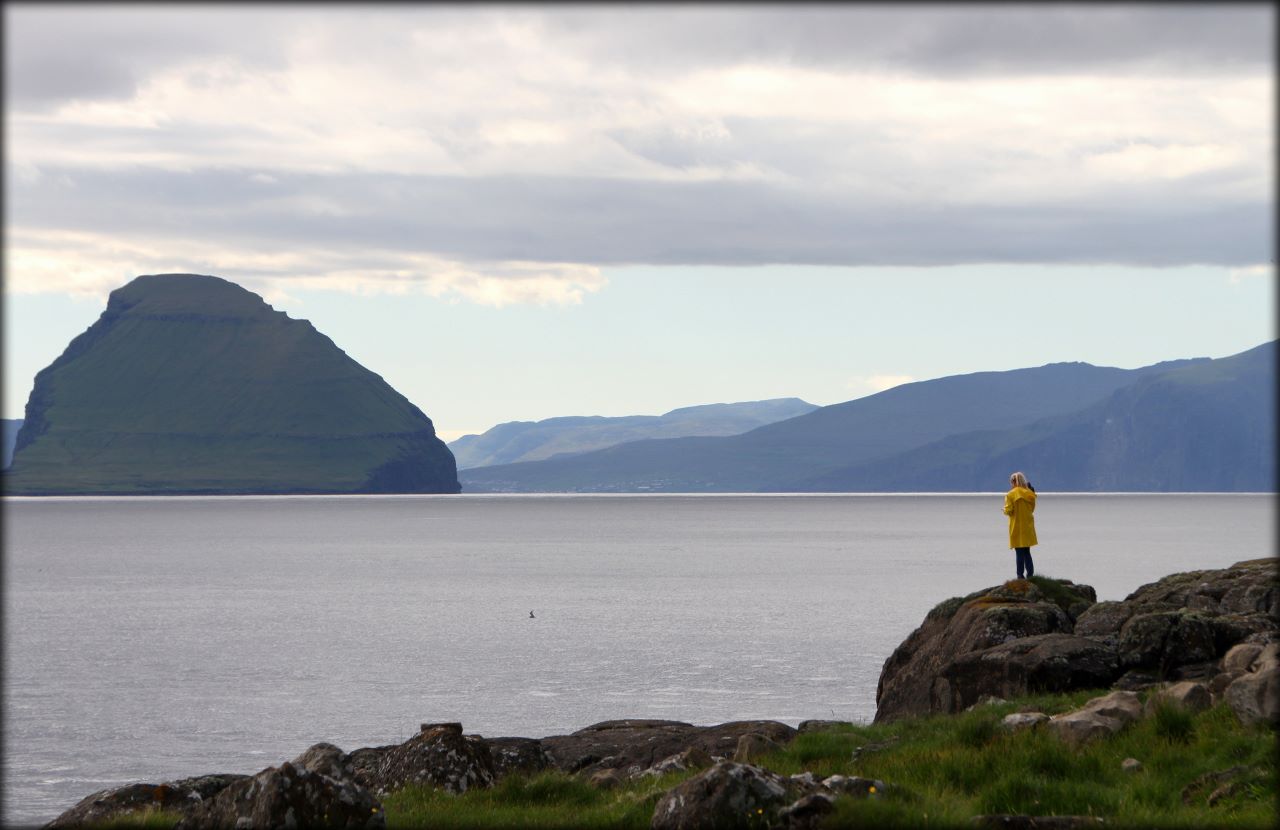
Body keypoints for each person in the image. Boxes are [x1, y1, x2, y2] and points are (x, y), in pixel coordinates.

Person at [1003, 471, 1038, 579]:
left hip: (1016, 526)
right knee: (1027, 552)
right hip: (1027, 526)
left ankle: (1020, 575)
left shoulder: (1010, 494)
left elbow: (1009, 510)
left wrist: (1004, 510)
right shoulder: (1030, 494)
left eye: (1011, 481)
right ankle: (1030, 575)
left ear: (1013, 481)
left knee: (1019, 553)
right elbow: (1031, 509)